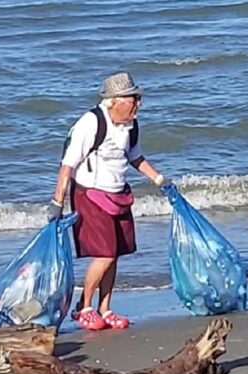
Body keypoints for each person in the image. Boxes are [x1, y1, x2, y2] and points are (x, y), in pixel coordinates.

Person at [48, 72, 170, 330]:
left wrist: (160, 180)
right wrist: (57, 203)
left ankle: (104, 308)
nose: (138, 104)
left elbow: (136, 158)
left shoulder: (131, 125)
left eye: (138, 98)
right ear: (114, 100)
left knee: (116, 255)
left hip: (118, 194)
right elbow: (67, 166)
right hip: (90, 195)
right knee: (105, 254)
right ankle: (84, 307)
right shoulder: (91, 123)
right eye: (133, 99)